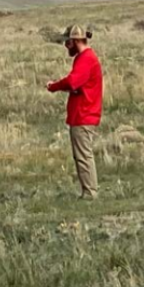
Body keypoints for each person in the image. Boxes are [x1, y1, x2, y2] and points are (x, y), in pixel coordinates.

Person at [47, 25, 103, 200]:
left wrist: (53, 86)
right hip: (84, 114)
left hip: (83, 114)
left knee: (83, 156)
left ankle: (90, 193)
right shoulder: (86, 58)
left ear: (76, 41)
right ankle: (89, 191)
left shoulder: (86, 59)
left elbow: (72, 82)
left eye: (68, 43)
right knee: (83, 154)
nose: (66, 47)